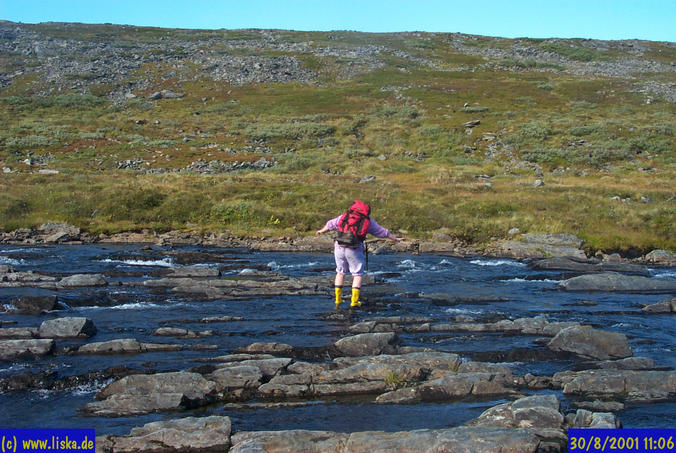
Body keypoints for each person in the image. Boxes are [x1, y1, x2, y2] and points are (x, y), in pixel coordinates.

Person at [316, 201, 404, 308]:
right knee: (357, 274)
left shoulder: (344, 216)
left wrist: (321, 231)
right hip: (354, 248)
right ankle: (354, 301)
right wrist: (395, 238)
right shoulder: (368, 221)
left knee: (340, 272)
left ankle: (338, 299)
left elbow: (330, 224)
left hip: (339, 247)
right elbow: (383, 232)